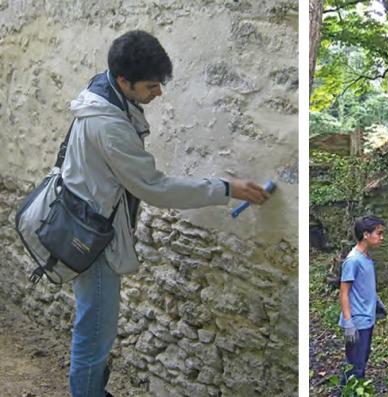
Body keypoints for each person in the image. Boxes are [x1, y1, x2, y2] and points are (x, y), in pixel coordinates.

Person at [62, 30, 270, 397]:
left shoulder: (102, 89)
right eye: (152, 86)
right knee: (95, 328)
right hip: (93, 238)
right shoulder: (109, 126)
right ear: (124, 81)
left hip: (85, 218)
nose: (159, 93)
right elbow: (154, 187)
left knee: (94, 323)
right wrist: (225, 188)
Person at [338, 215, 386, 384]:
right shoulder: (353, 260)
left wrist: (376, 303)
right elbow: (344, 292)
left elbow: (363, 286)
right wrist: (349, 323)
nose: (382, 237)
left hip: (367, 319)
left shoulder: (366, 257)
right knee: (355, 367)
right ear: (366, 234)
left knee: (361, 361)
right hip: (357, 322)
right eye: (378, 233)